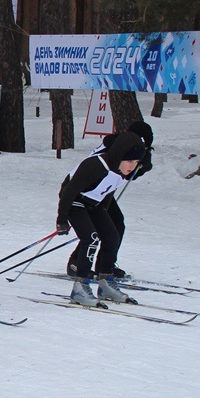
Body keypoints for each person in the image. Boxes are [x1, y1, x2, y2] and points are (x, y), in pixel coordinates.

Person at [56, 130, 146, 307]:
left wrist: (102, 216)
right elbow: (69, 191)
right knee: (91, 238)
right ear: (119, 155)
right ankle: (80, 286)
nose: (132, 166)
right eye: (129, 161)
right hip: (74, 202)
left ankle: (106, 282)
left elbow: (107, 192)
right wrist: (62, 220)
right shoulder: (95, 165)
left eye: (136, 162)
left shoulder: (120, 171)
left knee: (112, 236)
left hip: (93, 204)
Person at [81, 120, 153, 279]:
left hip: (103, 191)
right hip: (88, 189)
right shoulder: (117, 145)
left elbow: (127, 174)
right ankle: (77, 263)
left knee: (115, 225)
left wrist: (142, 167)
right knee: (94, 229)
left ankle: (105, 265)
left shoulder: (125, 145)